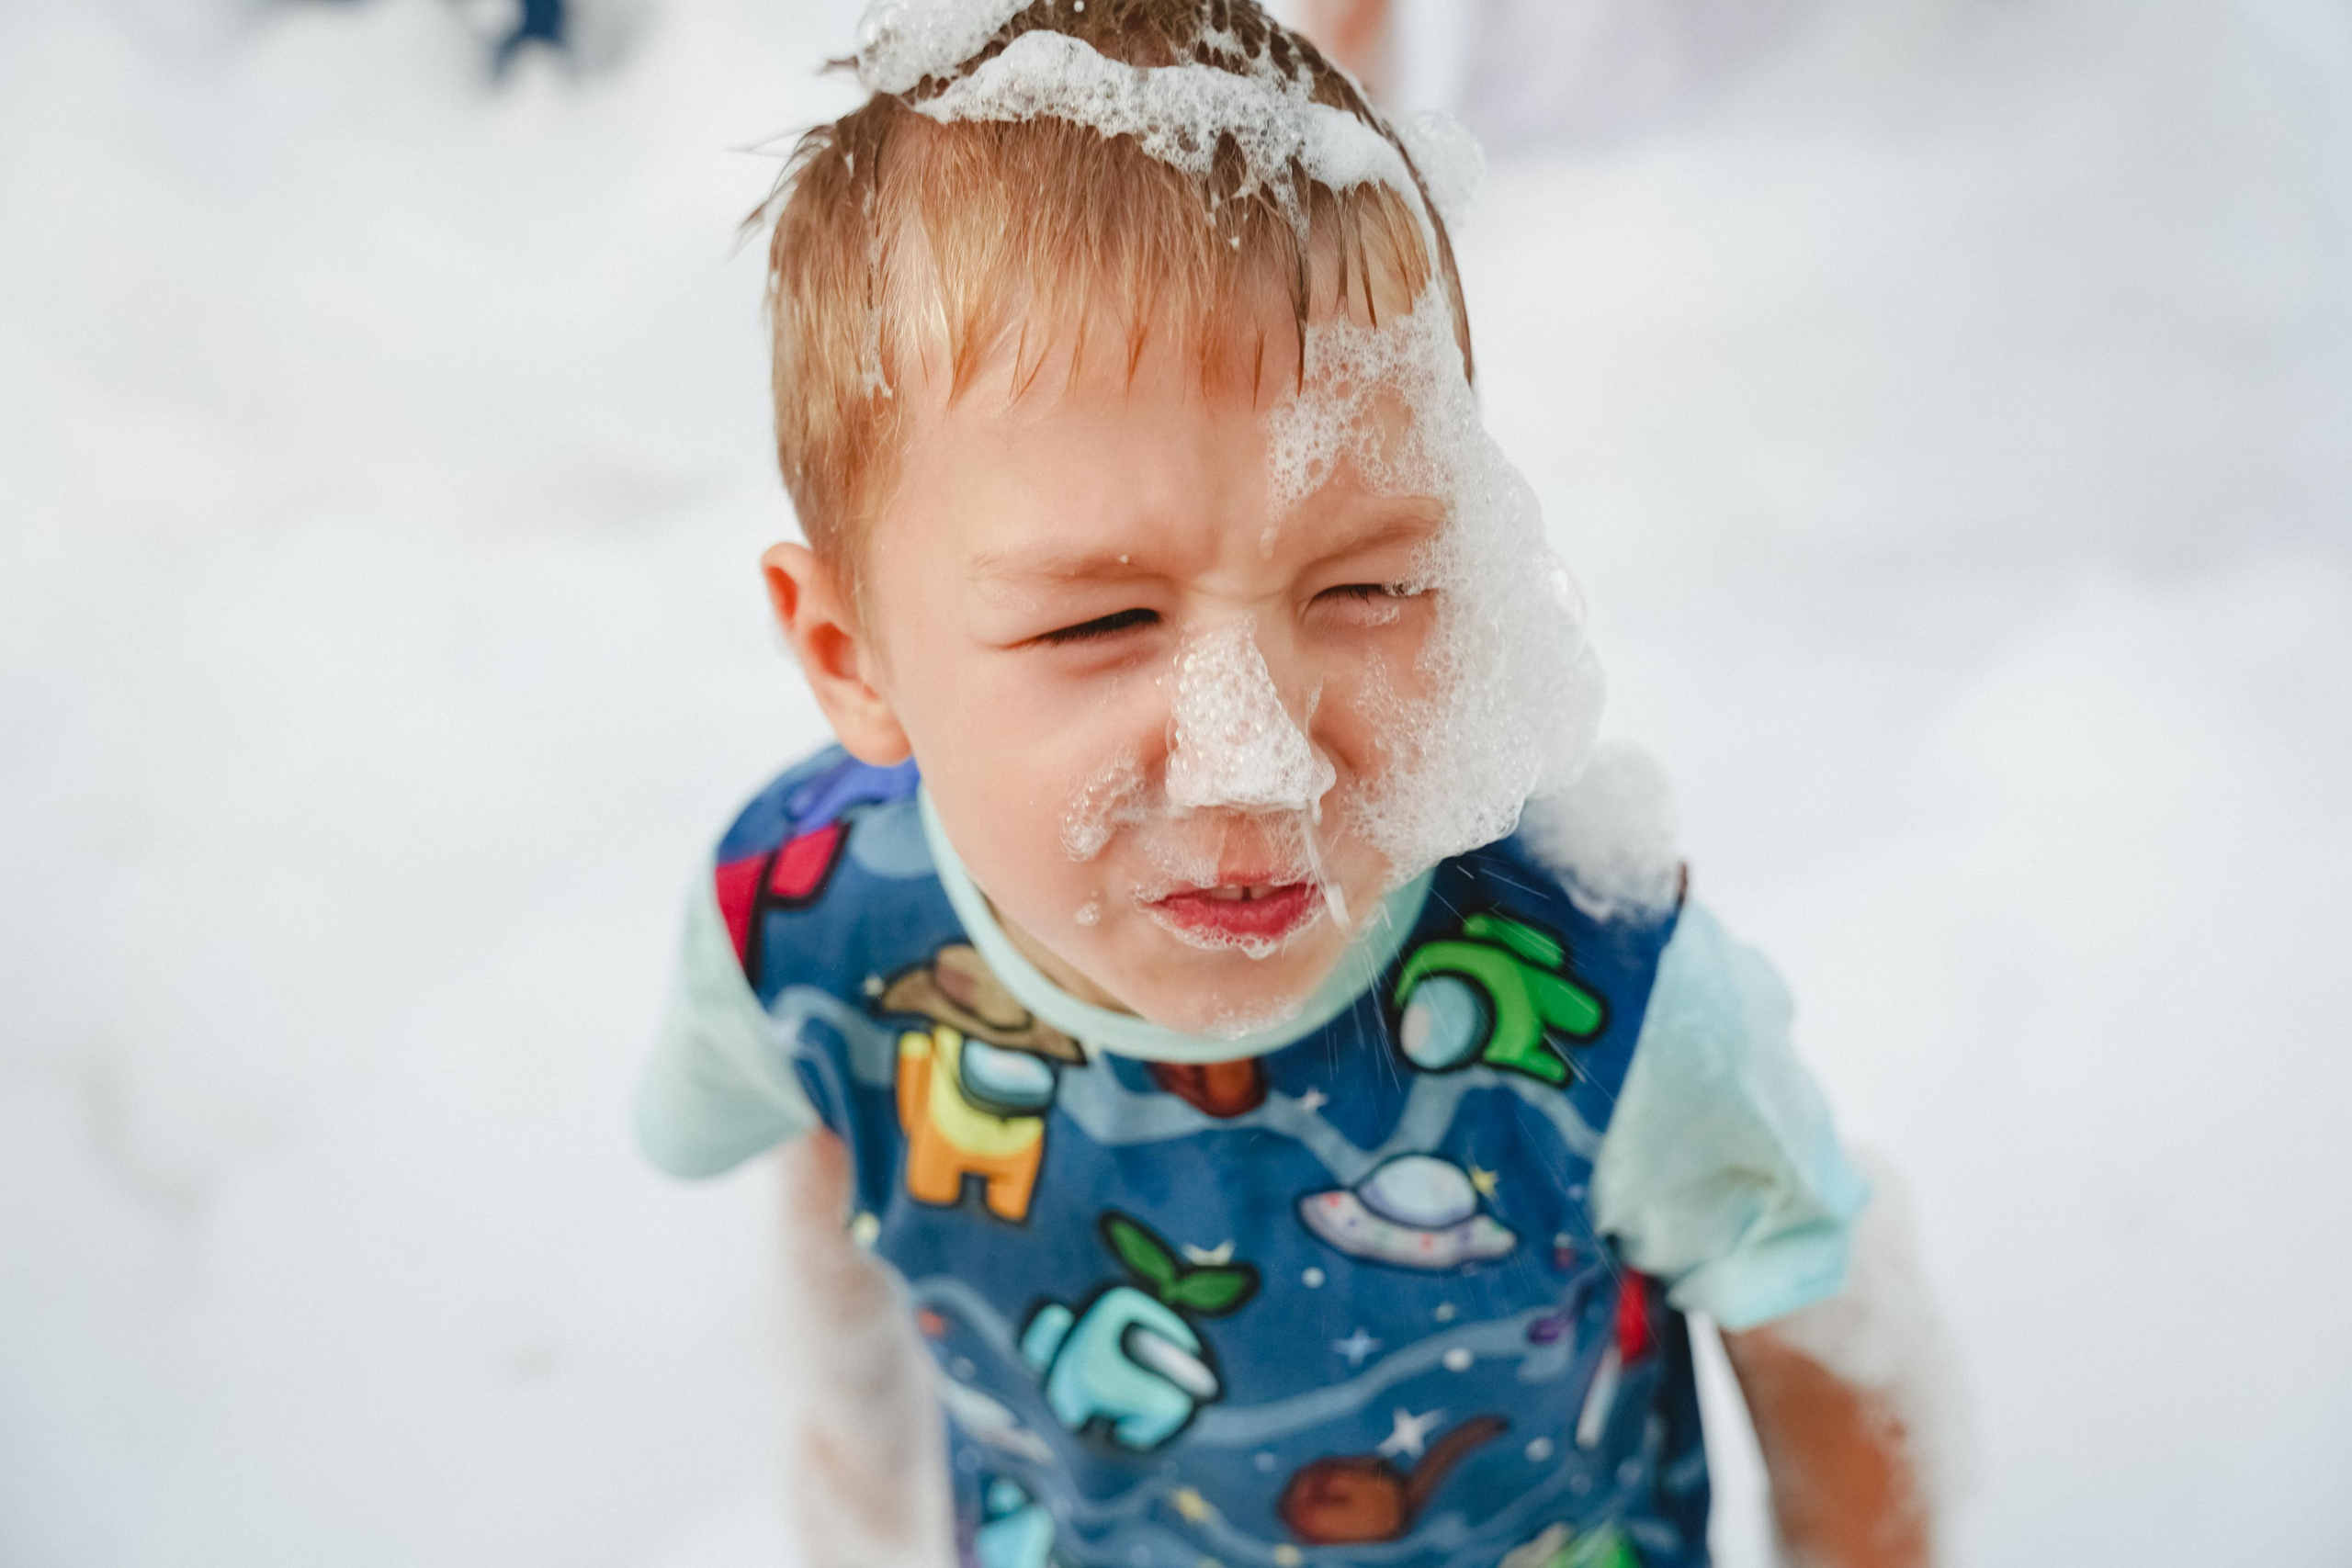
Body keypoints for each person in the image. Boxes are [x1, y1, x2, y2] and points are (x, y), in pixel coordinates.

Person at [639, 3, 1931, 1564]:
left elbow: (1833, 1360)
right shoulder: (806, 926)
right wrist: (857, 1526)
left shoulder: (1608, 1001)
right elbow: (839, 1218)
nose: (1258, 757)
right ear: (851, 656)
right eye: (1103, 620)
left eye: (1370, 589)